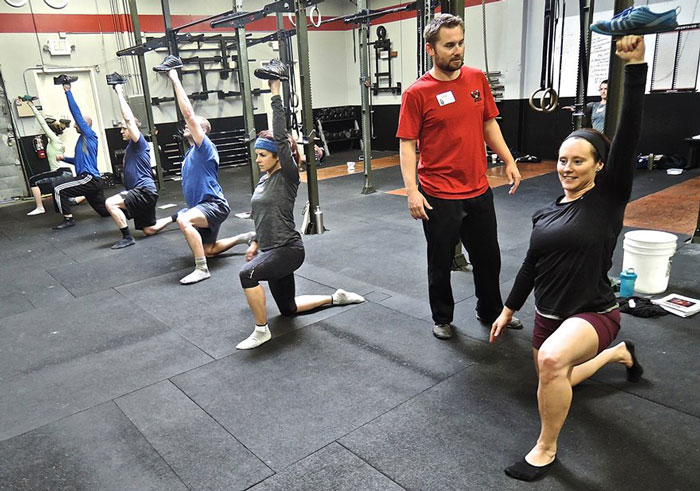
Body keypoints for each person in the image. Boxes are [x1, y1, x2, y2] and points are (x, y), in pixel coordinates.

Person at [489, 36, 647, 482]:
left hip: (594, 311)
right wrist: (507, 309)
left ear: (599, 165)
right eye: (562, 160)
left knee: (553, 364)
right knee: (556, 373)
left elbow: (630, 132)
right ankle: (617, 356)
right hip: (548, 314)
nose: (567, 167)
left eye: (579, 161)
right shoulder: (546, 212)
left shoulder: (609, 198)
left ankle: (545, 448)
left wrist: (634, 67)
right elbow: (531, 266)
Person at [396, 13, 523, 340]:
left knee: (488, 258)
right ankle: (442, 317)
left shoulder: (476, 79)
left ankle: (491, 310)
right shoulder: (417, 93)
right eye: (449, 45)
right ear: (430, 49)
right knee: (440, 263)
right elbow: (408, 145)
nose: (457, 50)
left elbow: (488, 123)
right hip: (438, 193)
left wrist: (509, 160)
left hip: (478, 189)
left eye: (461, 43)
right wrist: (412, 191)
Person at [236, 62, 365, 350]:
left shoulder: (287, 175)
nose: (257, 160)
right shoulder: (263, 181)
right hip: (272, 249)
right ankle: (337, 297)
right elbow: (262, 215)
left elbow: (281, 137)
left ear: (277, 158)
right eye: (256, 154)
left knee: (247, 275)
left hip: (288, 250)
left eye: (262, 155)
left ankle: (261, 331)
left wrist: (275, 89)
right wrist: (255, 243)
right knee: (289, 309)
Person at [154, 56, 252, 284]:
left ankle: (201, 269)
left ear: (202, 130)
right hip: (201, 206)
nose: (188, 126)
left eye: (194, 125)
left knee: (184, 221)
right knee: (208, 249)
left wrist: (174, 78)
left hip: (213, 206)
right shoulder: (191, 152)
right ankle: (243, 237)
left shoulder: (205, 147)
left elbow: (188, 114)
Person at [103, 73, 173, 249]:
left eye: (123, 129)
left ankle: (127, 237)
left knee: (110, 203)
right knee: (149, 230)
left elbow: (128, 119)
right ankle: (177, 216)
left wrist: (119, 91)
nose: (121, 131)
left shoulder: (139, 142)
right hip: (145, 192)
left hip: (143, 191)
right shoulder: (131, 147)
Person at [52, 75, 109, 229]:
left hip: (89, 179)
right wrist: (65, 158)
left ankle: (68, 218)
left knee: (58, 188)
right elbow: (79, 161)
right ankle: (131, 209)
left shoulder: (89, 134)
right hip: (93, 181)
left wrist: (68, 91)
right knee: (106, 212)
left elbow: (75, 112)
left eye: (77, 124)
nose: (75, 125)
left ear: (84, 125)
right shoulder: (81, 141)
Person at [20, 97, 74, 216]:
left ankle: (40, 208)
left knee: (33, 180)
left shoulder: (54, 139)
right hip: (66, 172)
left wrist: (32, 106)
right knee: (70, 201)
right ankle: (88, 194)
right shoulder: (55, 141)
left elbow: (42, 123)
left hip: (61, 172)